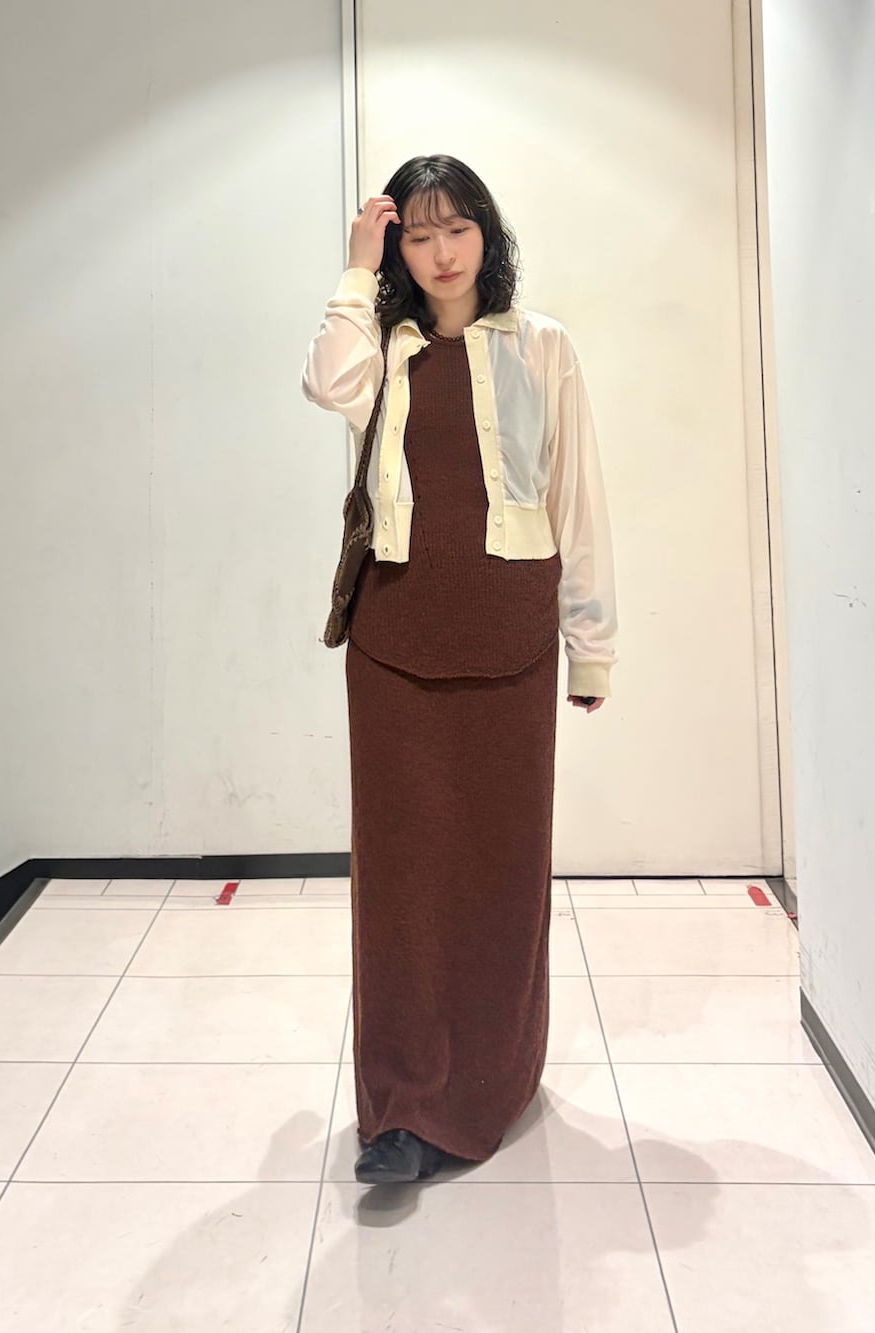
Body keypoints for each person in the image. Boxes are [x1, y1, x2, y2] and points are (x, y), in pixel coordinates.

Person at [301, 154, 617, 1185]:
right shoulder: (383, 348)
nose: (441, 254)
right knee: (398, 880)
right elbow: (325, 383)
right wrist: (358, 268)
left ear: (487, 234)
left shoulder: (541, 346)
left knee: (499, 867)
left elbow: (578, 501)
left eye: (457, 230)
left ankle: (487, 1086)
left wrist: (591, 643)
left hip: (508, 637)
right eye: (419, 235)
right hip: (395, 638)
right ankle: (398, 1110)